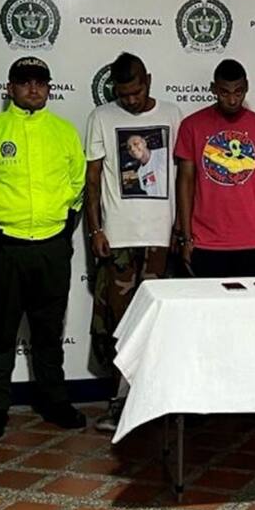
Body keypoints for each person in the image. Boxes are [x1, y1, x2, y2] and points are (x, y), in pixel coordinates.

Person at [0, 56, 86, 439]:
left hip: (51, 246)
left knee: (49, 331)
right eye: (24, 81)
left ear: (49, 88)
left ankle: (54, 401)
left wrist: (63, 228)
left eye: (40, 82)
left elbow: (77, 184)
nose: (33, 88)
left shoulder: (64, 132)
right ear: (10, 87)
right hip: (3, 247)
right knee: (0, 332)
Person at [84, 52, 181, 433]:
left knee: (159, 324)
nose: (130, 100)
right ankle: (119, 403)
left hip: (161, 238)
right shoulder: (101, 117)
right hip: (119, 238)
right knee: (120, 325)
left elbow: (184, 177)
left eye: (136, 92)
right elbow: (92, 180)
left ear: (148, 81)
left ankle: (156, 401)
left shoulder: (172, 114)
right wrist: (95, 230)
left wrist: (181, 228)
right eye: (123, 94)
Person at [175, 59, 255, 278]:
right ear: (213, 89)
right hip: (204, 241)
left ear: (247, 87)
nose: (232, 100)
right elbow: (185, 183)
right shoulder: (192, 125)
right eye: (224, 92)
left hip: (252, 240)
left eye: (238, 92)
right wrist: (186, 237)